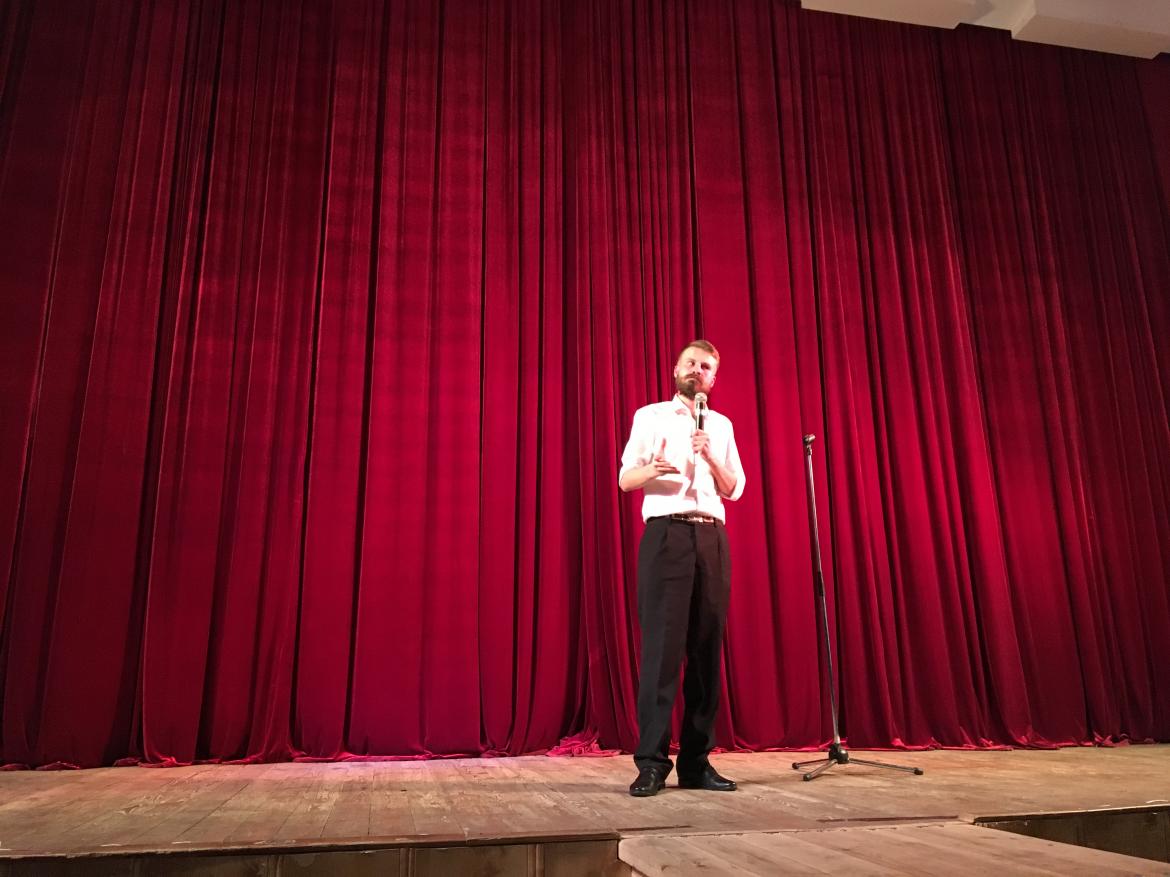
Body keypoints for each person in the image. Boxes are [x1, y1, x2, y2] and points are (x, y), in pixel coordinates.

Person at [618, 339, 746, 797]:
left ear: (713, 378)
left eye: (706, 366)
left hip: (711, 537)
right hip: (667, 535)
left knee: (707, 652)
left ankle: (696, 763)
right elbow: (625, 479)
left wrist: (709, 454)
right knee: (661, 652)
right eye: (691, 363)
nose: (697, 370)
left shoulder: (722, 426)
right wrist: (652, 470)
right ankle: (652, 763)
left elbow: (735, 489)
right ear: (676, 370)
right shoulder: (650, 416)